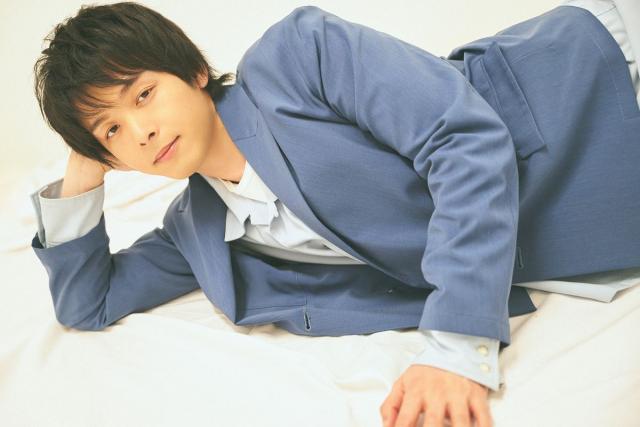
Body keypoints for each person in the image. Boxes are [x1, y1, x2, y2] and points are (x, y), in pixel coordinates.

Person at [29, 1, 639, 426]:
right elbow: (88, 302)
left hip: (593, 86)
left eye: (143, 94)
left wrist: (457, 347)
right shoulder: (196, 230)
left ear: (193, 71)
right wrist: (83, 170)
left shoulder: (295, 57)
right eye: (112, 130)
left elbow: (462, 141)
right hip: (599, 214)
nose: (141, 131)